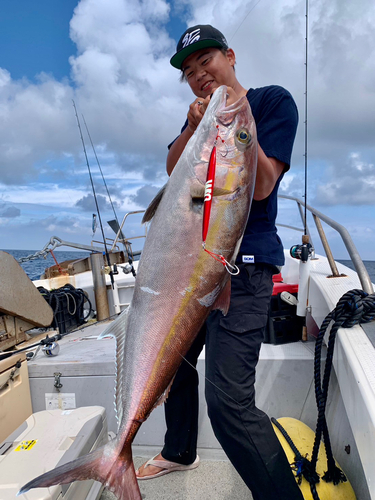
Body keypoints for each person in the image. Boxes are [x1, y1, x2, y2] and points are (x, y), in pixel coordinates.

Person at [136, 24, 303, 500]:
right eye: (189, 71)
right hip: (193, 265)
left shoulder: (271, 101)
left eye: (205, 61)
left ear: (230, 55)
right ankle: (178, 449)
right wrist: (195, 125)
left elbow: (265, 183)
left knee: (227, 402)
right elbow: (174, 168)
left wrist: (236, 121)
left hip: (244, 267)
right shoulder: (202, 120)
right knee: (175, 366)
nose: (199, 75)